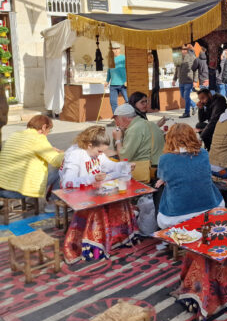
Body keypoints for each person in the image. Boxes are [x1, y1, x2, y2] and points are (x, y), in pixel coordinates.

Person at [59, 125, 138, 263]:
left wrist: (124, 166)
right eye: (99, 150)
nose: (100, 154)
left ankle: (116, 239)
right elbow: (67, 182)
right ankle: (94, 245)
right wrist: (91, 179)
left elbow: (109, 165)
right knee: (99, 209)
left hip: (94, 189)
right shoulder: (75, 154)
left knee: (120, 200)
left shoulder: (98, 154)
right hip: (77, 193)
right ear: (89, 145)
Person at [155, 124, 224, 229]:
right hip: (210, 207)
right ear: (192, 136)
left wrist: (165, 180)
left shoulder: (165, 159)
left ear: (169, 139)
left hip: (177, 215)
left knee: (160, 191)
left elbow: (163, 176)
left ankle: (164, 235)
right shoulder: (204, 154)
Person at [0, 115, 63, 207]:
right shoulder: (38, 138)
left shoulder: (15, 134)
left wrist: (49, 149)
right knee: (61, 169)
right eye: (49, 130)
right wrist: (65, 153)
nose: (48, 133)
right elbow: (56, 161)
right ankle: (53, 204)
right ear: (44, 127)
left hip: (2, 188)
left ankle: (32, 200)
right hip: (18, 192)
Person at [112, 103, 165, 170]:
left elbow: (124, 158)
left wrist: (118, 139)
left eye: (117, 120)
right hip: (160, 164)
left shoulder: (134, 129)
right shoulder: (150, 123)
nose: (117, 124)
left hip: (148, 169)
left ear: (124, 118)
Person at [172, 44, 197, 118]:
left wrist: (195, 80)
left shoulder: (192, 57)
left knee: (186, 96)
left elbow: (196, 70)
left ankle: (187, 113)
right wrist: (174, 79)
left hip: (188, 80)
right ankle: (194, 105)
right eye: (182, 49)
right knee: (183, 96)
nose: (183, 50)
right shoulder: (178, 57)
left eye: (184, 49)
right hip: (181, 81)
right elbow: (177, 69)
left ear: (187, 49)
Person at [105, 43, 127, 114]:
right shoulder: (111, 59)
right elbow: (109, 71)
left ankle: (131, 117)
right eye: (114, 49)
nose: (116, 50)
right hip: (113, 85)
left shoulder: (124, 58)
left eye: (117, 48)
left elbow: (129, 69)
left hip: (123, 84)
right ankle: (117, 119)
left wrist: (127, 80)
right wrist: (107, 81)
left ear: (120, 49)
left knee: (128, 101)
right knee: (113, 102)